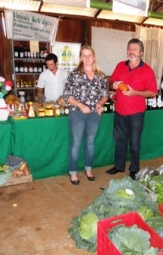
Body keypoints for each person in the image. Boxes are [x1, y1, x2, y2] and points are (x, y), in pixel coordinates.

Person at [105, 38, 157, 180]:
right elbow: (110, 83)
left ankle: (134, 169)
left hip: (136, 114)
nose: (131, 51)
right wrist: (114, 84)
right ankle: (119, 166)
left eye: (134, 48)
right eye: (129, 48)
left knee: (134, 143)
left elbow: (152, 92)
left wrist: (135, 93)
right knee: (119, 141)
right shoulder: (120, 65)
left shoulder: (147, 70)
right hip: (120, 111)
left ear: (141, 52)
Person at [62, 46, 109, 185]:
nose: (87, 58)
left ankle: (88, 169)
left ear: (94, 57)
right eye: (84, 55)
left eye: (89, 55)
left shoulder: (101, 76)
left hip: (94, 114)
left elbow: (105, 95)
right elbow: (67, 96)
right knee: (76, 143)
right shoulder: (74, 74)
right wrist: (81, 105)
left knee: (90, 142)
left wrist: (100, 103)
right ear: (81, 58)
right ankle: (73, 172)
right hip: (77, 113)